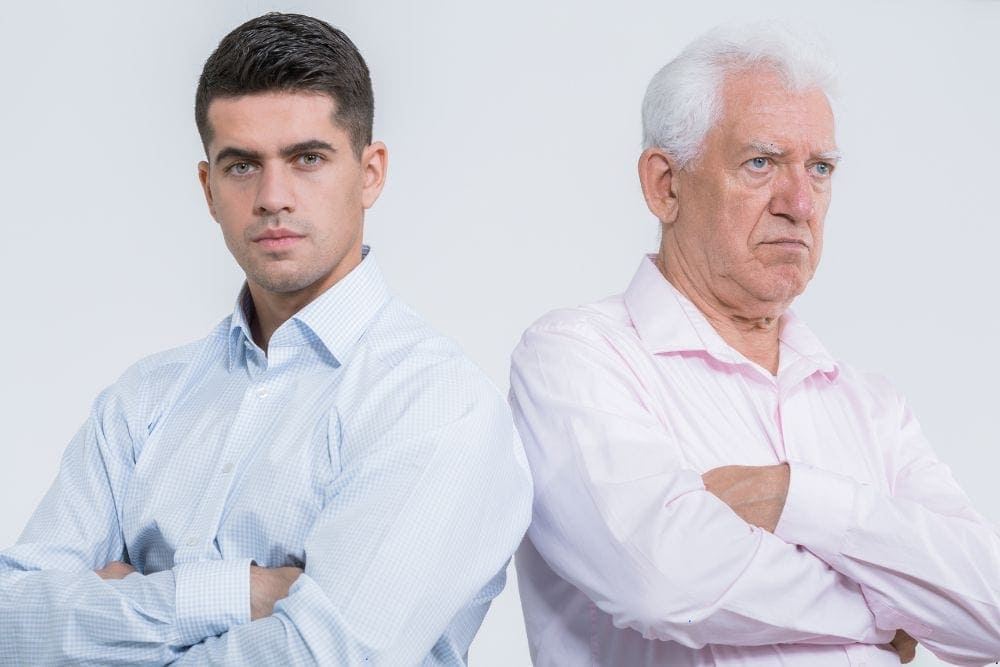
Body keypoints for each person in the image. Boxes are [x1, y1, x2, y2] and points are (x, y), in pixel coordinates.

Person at [0, 12, 532, 665]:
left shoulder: (434, 403)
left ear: (370, 172)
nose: (272, 196)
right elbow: (9, 622)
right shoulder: (141, 401)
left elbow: (321, 657)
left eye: (307, 158)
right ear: (208, 187)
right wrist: (243, 591)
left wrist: (117, 606)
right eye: (242, 165)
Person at [510, 22, 1000, 667]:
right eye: (760, 162)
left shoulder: (871, 406)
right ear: (665, 184)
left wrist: (795, 498)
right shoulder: (578, 357)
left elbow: (991, 611)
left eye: (820, 169)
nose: (800, 203)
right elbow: (663, 579)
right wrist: (895, 606)